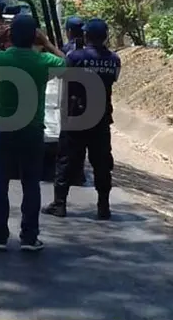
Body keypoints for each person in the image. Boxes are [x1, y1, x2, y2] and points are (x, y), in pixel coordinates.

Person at [0, 14, 66, 251]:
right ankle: (29, 237)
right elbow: (68, 63)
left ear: (10, 36)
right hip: (33, 130)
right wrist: (47, 43)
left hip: (3, 129)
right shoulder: (43, 59)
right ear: (34, 35)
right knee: (31, 184)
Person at [45, 18, 122, 220]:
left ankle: (59, 204)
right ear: (106, 36)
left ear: (85, 35)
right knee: (102, 163)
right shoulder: (114, 59)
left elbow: (62, 76)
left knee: (65, 161)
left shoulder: (74, 57)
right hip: (101, 117)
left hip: (76, 116)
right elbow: (113, 78)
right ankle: (103, 207)